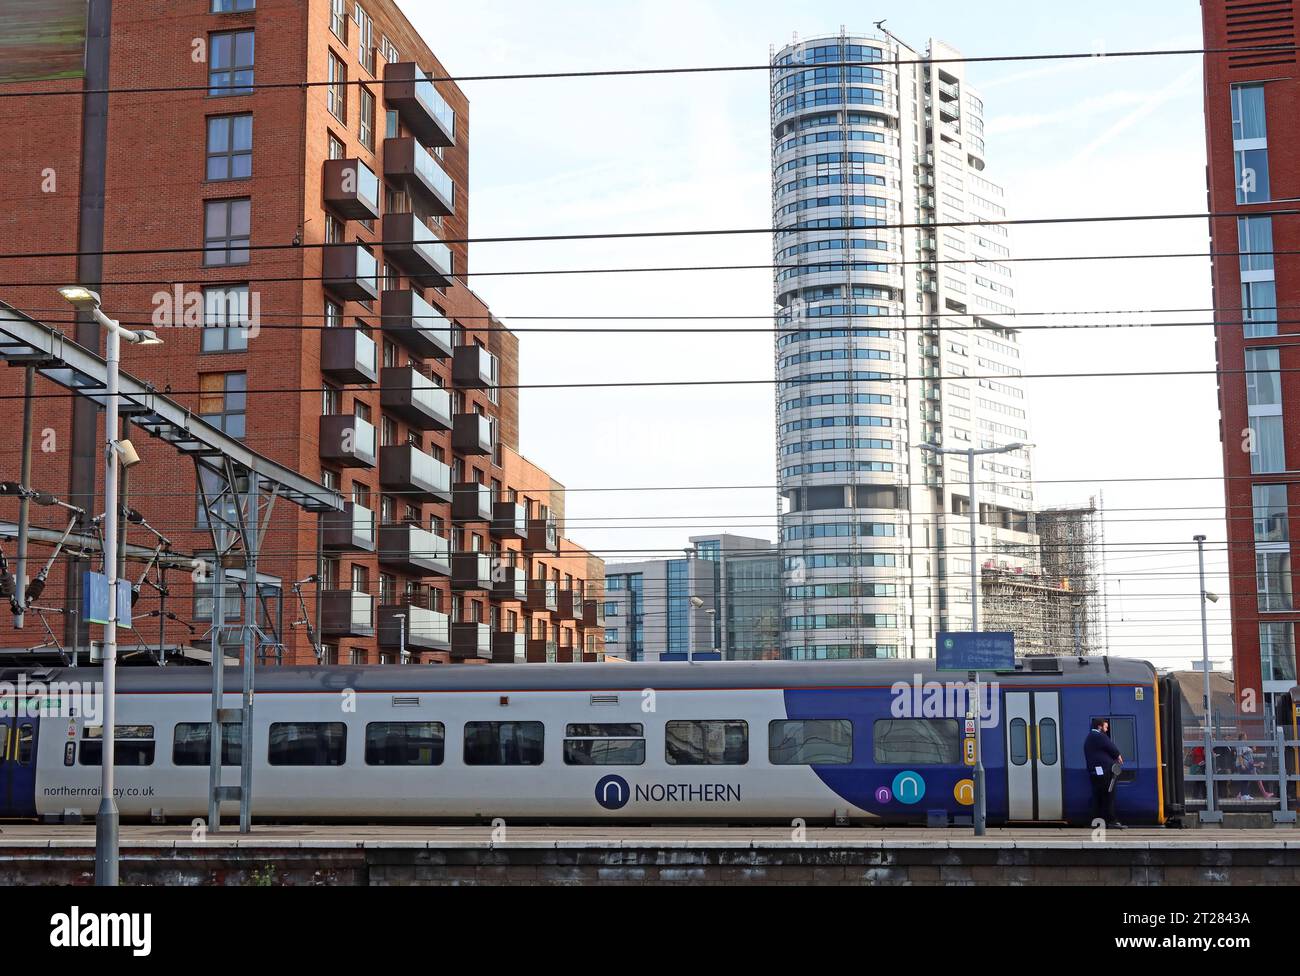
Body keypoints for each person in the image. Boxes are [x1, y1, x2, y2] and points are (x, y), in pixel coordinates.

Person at [1084, 718, 1125, 828]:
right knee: (1108, 795)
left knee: (1098, 796)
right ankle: (1111, 820)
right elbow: (1110, 746)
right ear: (1099, 726)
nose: (1106, 730)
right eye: (1106, 727)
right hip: (1104, 772)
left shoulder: (1090, 737)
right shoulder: (1099, 736)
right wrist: (1118, 755)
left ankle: (1096, 821)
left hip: (1096, 772)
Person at [1235, 732, 1274, 800]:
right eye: (1246, 735)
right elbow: (1240, 755)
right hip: (1246, 764)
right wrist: (1242, 765)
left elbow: (1248, 755)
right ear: (1243, 737)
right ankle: (1244, 794)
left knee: (1249, 779)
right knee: (1248, 779)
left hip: (1249, 764)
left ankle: (1243, 794)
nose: (1247, 737)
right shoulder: (1240, 744)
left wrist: (1253, 749)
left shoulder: (1245, 745)